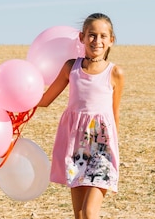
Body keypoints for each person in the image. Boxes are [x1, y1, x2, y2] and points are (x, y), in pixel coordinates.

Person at [38, 13, 125, 219]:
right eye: (92, 35)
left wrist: (114, 151)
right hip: (76, 147)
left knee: (89, 212)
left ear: (111, 40)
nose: (97, 40)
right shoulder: (71, 68)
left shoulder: (115, 73)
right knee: (79, 215)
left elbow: (115, 114)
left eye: (103, 36)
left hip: (102, 148)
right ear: (82, 37)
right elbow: (44, 100)